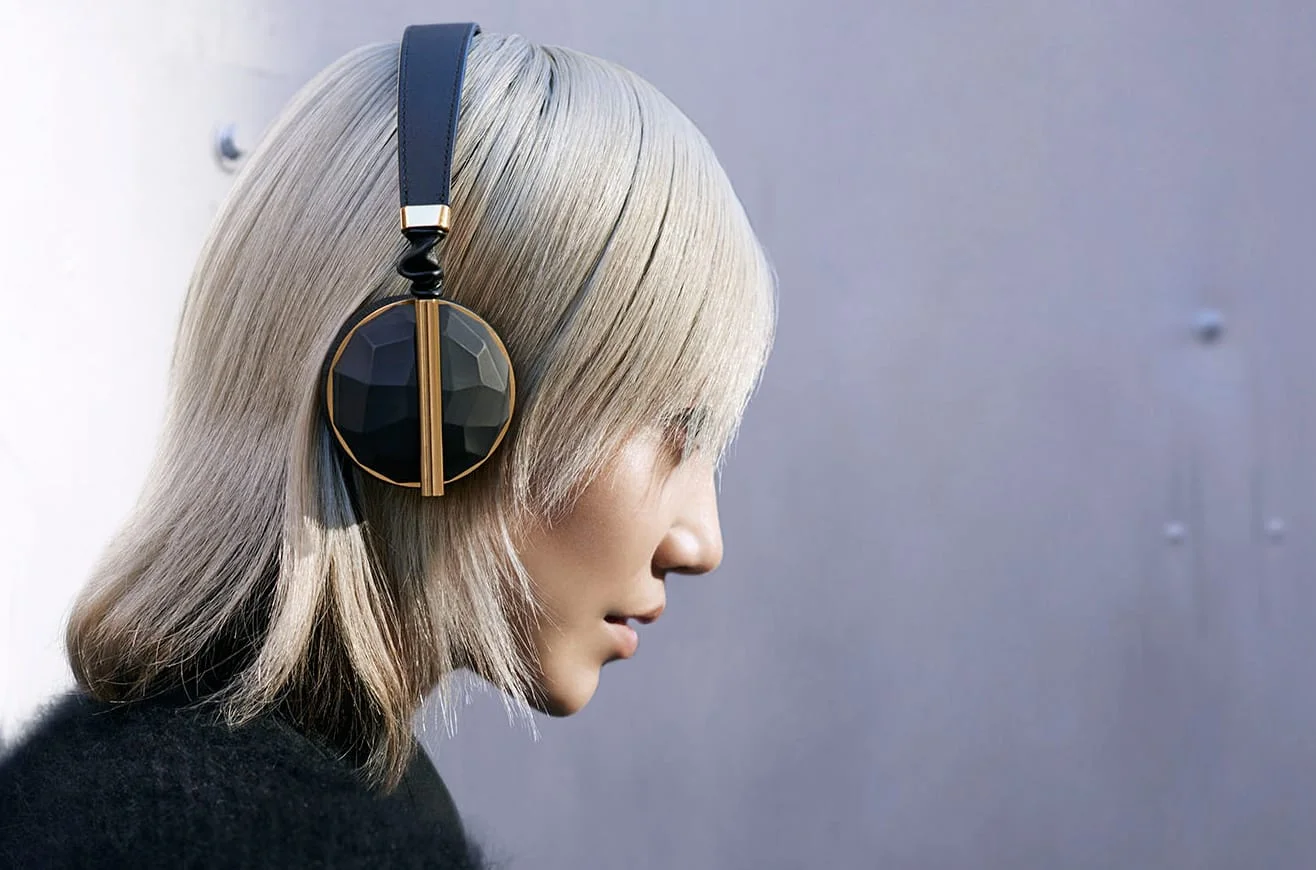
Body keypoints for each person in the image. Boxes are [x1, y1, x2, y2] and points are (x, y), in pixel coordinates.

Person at [0, 23, 774, 869]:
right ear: (428, 394)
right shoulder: (270, 844)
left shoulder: (110, 795)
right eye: (675, 428)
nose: (701, 542)